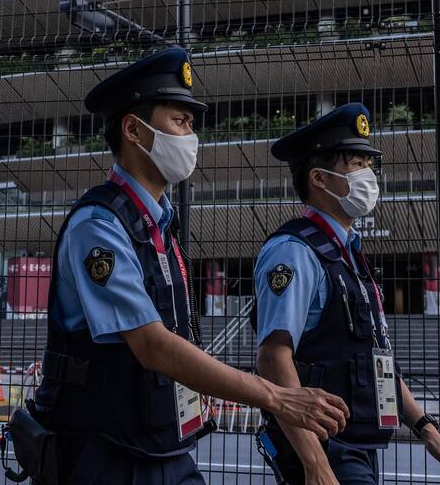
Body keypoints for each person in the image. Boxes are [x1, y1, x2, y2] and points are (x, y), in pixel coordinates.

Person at [30, 47, 349, 484]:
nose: (190, 135)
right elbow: (153, 345)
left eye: (191, 123)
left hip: (162, 446)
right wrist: (276, 397)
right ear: (134, 130)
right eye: (179, 121)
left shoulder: (159, 224)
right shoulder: (99, 225)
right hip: (105, 453)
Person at [253, 103, 440, 485]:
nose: (369, 175)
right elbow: (273, 357)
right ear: (319, 179)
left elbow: (374, 357)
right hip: (324, 448)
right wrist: (315, 465)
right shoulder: (295, 252)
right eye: (355, 164)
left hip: (356, 445)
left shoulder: (348, 254)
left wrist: (426, 429)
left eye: (370, 165)